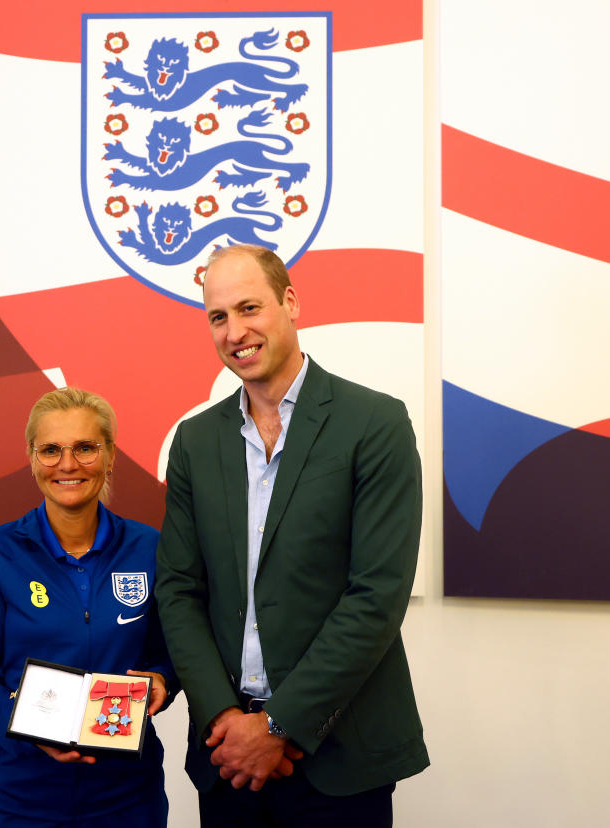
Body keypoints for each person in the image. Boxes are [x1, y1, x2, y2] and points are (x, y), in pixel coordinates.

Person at [155, 244, 429, 826]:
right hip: (225, 756)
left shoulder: (375, 423)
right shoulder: (194, 442)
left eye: (249, 308)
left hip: (340, 757)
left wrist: (278, 727)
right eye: (218, 317)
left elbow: (376, 596)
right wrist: (225, 719)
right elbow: (178, 590)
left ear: (291, 302)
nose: (235, 332)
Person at [0, 387, 176, 827]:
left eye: (85, 448)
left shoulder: (150, 548)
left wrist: (163, 679)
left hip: (126, 798)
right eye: (51, 450)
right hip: (15, 798)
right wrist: (30, 736)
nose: (68, 464)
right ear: (33, 458)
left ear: (110, 455)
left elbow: (170, 653)